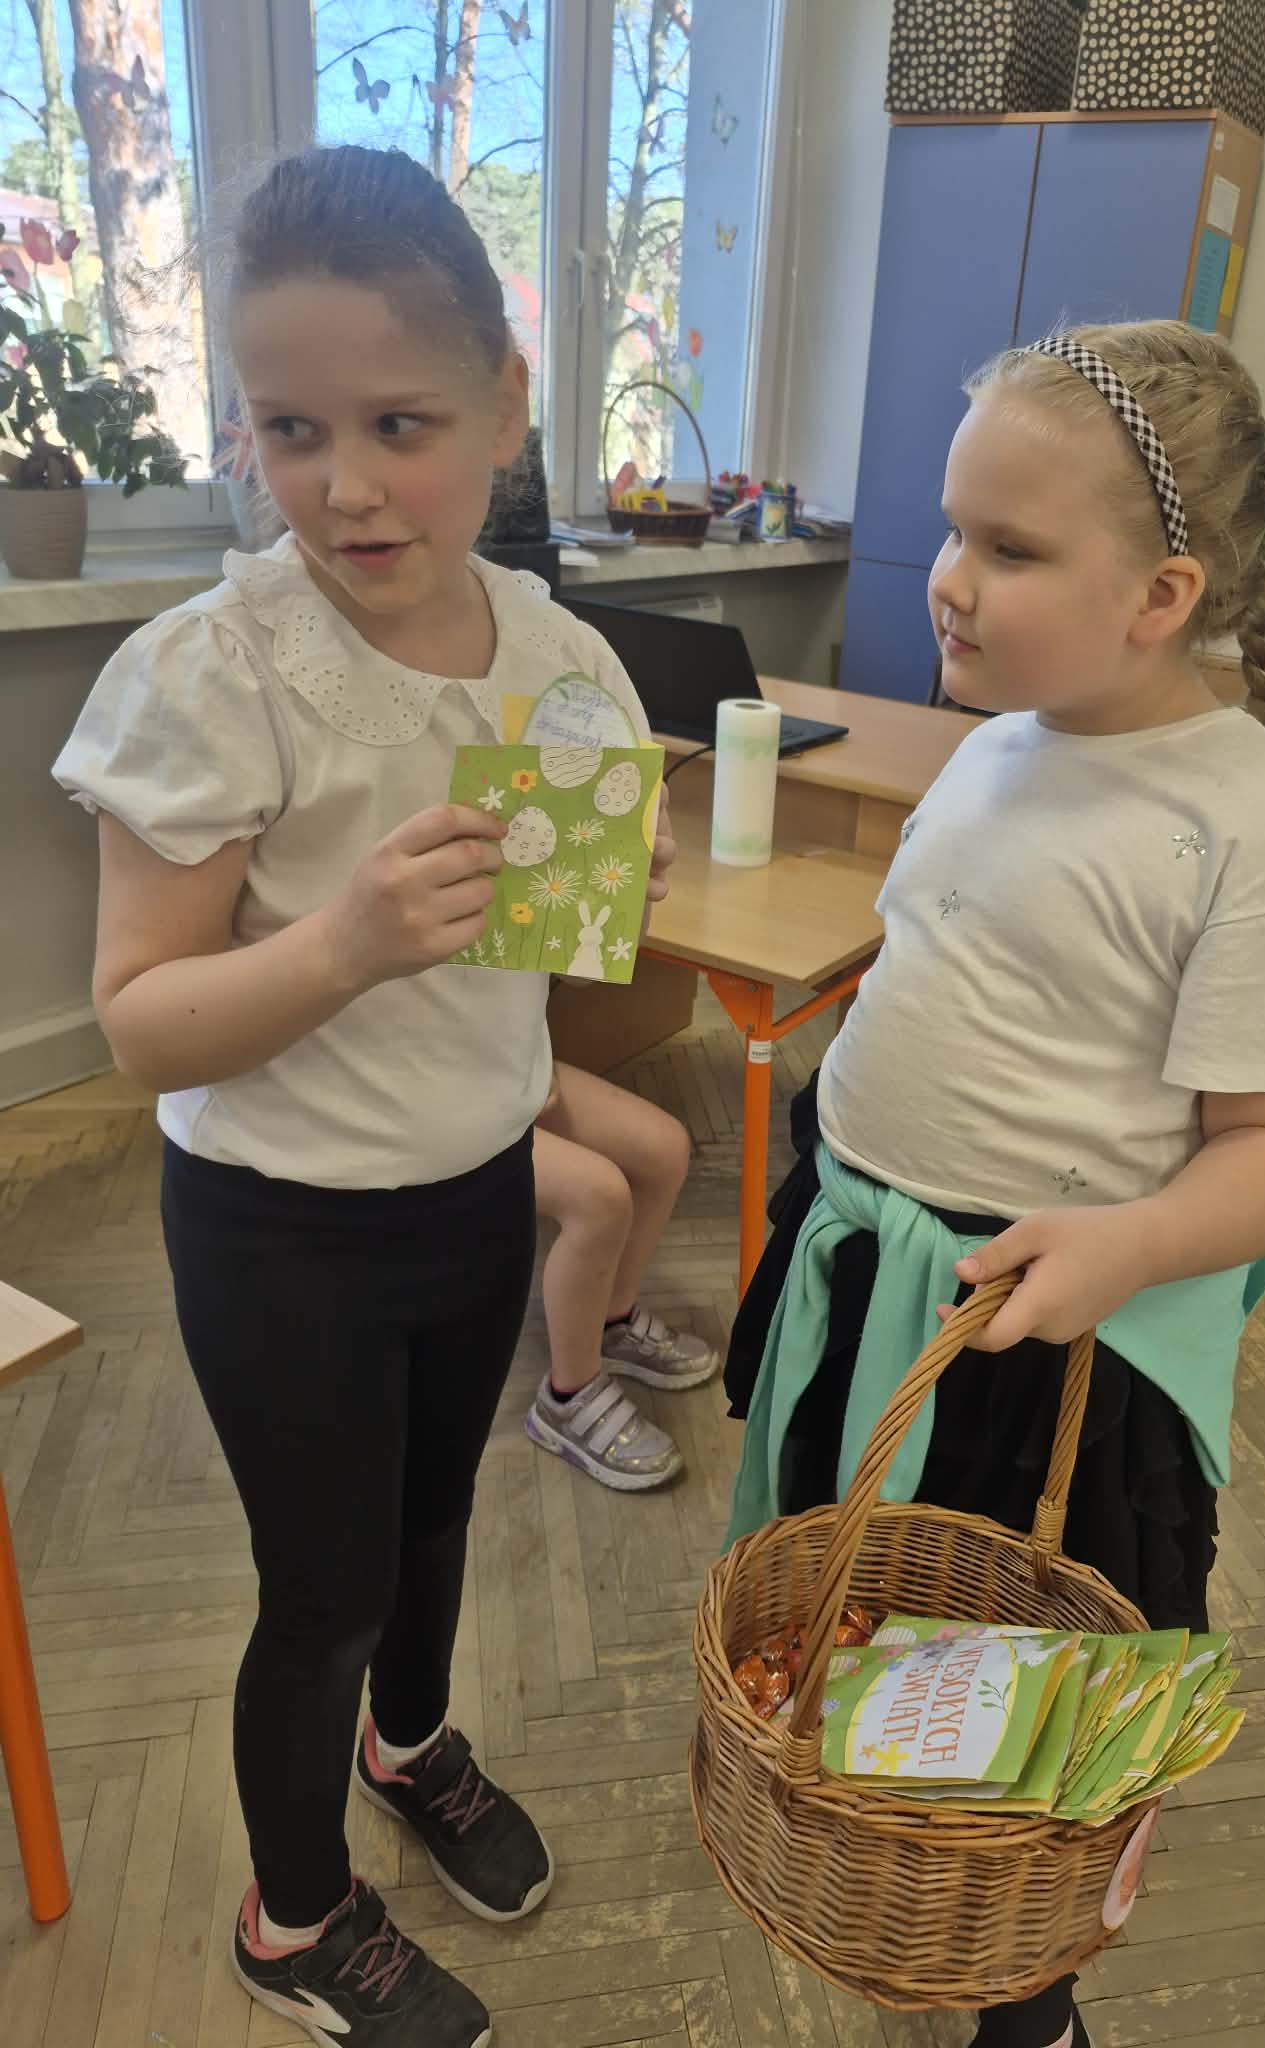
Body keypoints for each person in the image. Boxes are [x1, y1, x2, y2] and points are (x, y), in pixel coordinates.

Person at [53, 145, 674, 2048]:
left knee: (428, 1530)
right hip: (281, 1224)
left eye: (400, 424)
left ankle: (410, 1748)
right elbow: (142, 1024)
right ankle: (291, 1913)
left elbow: (557, 965)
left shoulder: (562, 658)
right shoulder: (212, 670)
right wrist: (345, 941)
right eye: (290, 428)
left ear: (505, 404)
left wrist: (614, 891)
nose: (342, 485)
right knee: (320, 1586)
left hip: (474, 1184)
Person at [721, 322, 1265, 2048]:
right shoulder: (1007, 735)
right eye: (952, 530)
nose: (949, 580)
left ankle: (1027, 2003)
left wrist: (1130, 1242)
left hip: (1037, 1334)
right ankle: (880, 1876)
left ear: (1162, 594)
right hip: (873, 1276)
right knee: (860, 1628)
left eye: (1008, 549)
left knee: (1014, 1703)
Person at [526, 1060, 718, 1489]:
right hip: (423, 1098)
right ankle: (566, 1398)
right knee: (599, 1200)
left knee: (664, 1149)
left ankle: (611, 1323)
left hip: (501, 1061)